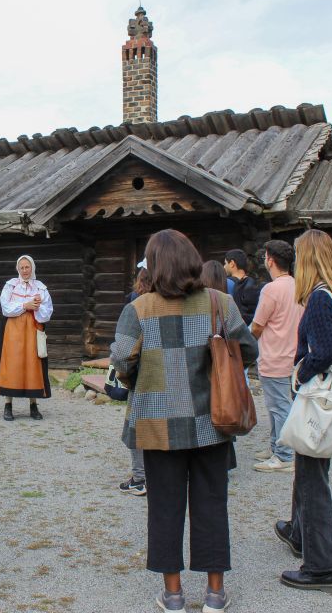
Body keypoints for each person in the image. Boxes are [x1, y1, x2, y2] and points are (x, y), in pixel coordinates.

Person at [111, 230, 258, 613]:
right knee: (212, 503)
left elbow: (122, 361)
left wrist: (139, 378)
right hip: (213, 420)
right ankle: (214, 594)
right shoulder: (219, 302)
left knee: (164, 505)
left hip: (158, 423)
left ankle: (173, 595)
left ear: (155, 265)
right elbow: (248, 351)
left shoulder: (138, 309)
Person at [275, 229, 332, 591]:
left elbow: (326, 352)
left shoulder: (321, 299)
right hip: (328, 394)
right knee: (307, 468)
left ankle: (321, 567)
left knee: (313, 482)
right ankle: (298, 532)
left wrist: (299, 373)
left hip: (316, 395)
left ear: (307, 258)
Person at [250, 241, 302, 473]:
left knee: (279, 407)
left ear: (270, 260)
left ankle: (284, 454)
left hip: (273, 354)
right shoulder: (297, 286)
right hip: (291, 352)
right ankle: (276, 446)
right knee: (277, 405)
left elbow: (258, 325)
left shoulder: (271, 289)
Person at [0, 255, 53, 421]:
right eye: (22, 268)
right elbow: (5, 308)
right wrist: (24, 306)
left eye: (27, 267)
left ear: (32, 268)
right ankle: (8, 405)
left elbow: (47, 313)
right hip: (13, 331)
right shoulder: (11, 286)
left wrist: (38, 306)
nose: (25, 270)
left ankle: (33, 406)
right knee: (12, 364)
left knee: (32, 364)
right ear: (18, 269)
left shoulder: (40, 288)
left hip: (33, 330)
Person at [118, 265, 151, 497]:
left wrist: (126, 377)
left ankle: (140, 478)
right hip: (165, 380)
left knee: (138, 429)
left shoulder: (136, 306)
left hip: (141, 378)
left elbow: (123, 353)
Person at [223, 249, 260, 326]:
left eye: (225, 263)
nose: (224, 266)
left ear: (232, 263)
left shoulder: (226, 283)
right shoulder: (253, 282)